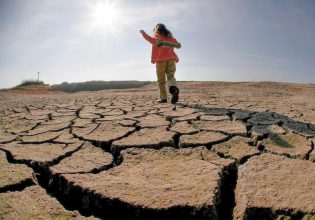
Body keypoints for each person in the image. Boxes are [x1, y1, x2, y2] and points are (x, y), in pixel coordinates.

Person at [140, 23, 181, 104]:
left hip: (161, 60)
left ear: (157, 30)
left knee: (161, 81)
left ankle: (163, 98)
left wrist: (144, 34)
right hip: (171, 60)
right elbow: (177, 45)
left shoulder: (158, 36)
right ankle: (174, 90)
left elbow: (154, 41)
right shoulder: (171, 38)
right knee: (171, 77)